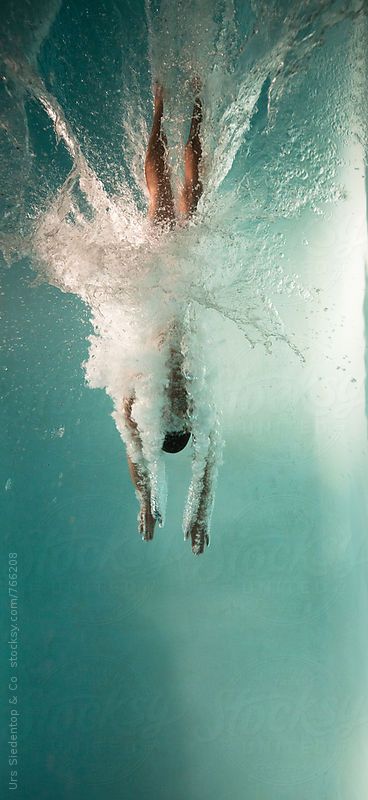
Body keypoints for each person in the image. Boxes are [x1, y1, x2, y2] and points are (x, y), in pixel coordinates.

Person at [123, 81, 216, 555]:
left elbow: (134, 452)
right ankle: (192, 104)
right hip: (177, 289)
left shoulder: (139, 406)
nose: (176, 399)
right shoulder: (190, 408)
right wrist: (197, 512)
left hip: (156, 289)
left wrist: (146, 501)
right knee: (187, 198)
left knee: (164, 200)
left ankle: (162, 106)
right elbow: (209, 457)